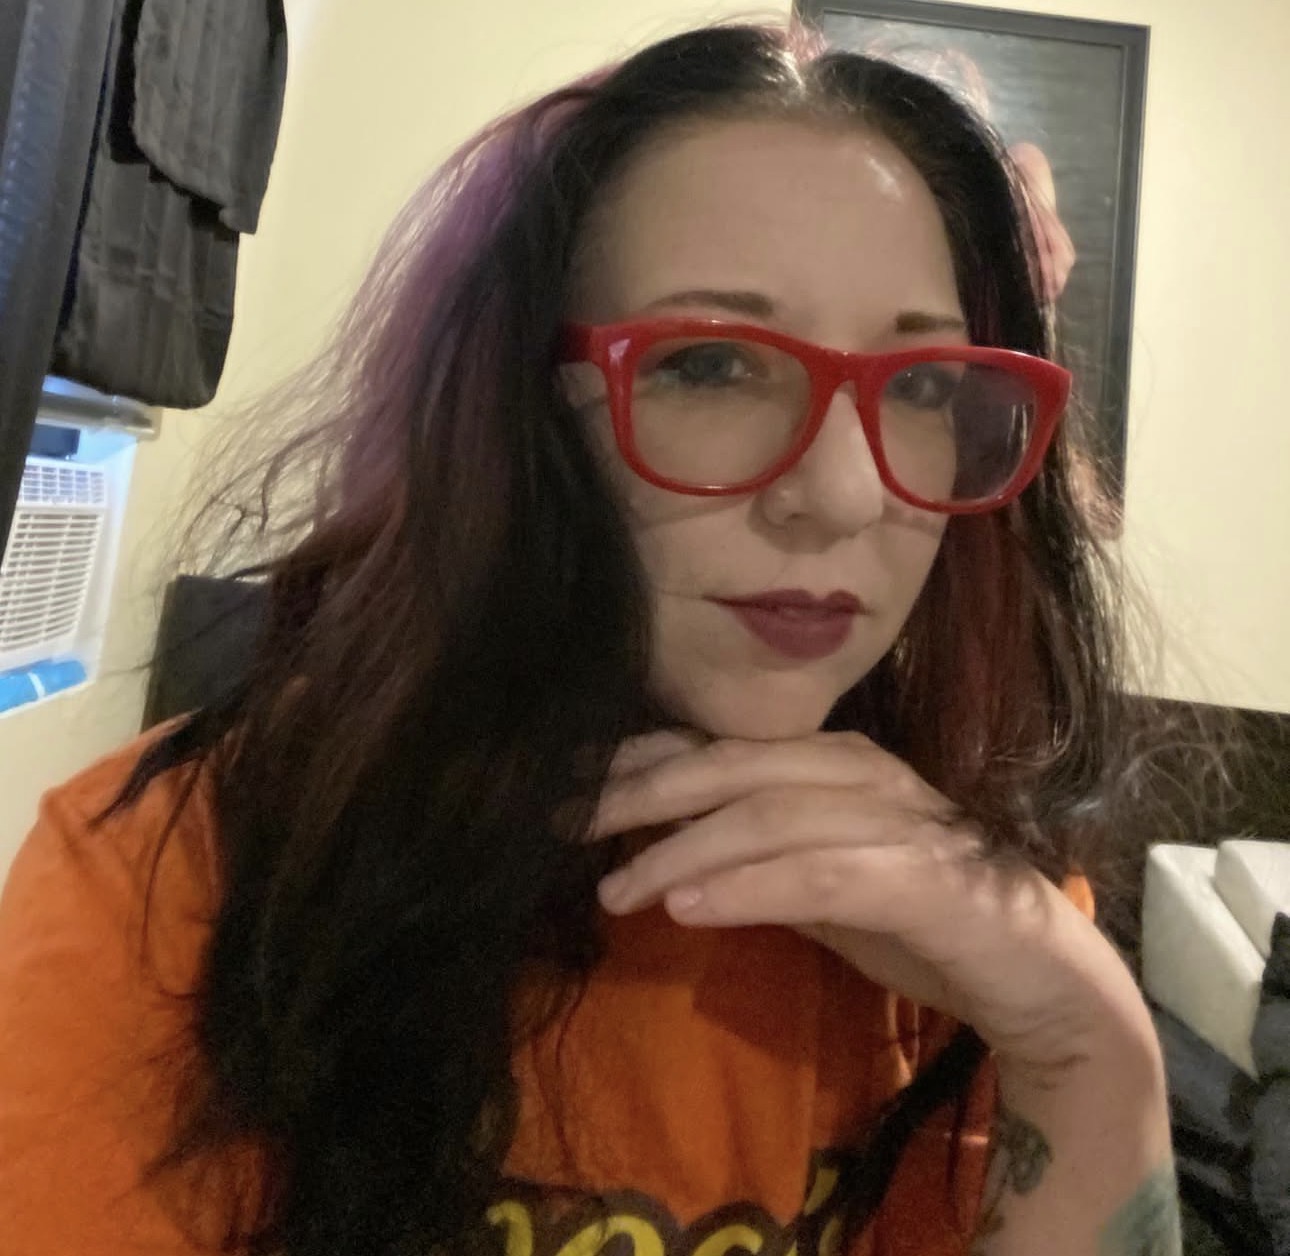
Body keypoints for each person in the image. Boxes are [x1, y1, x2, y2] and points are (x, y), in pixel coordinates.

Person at [0, 20, 1183, 1256]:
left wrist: (1088, 1039)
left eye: (925, 383)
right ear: (521, 413)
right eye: (711, 364)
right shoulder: (177, 880)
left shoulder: (971, 914)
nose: (840, 494)